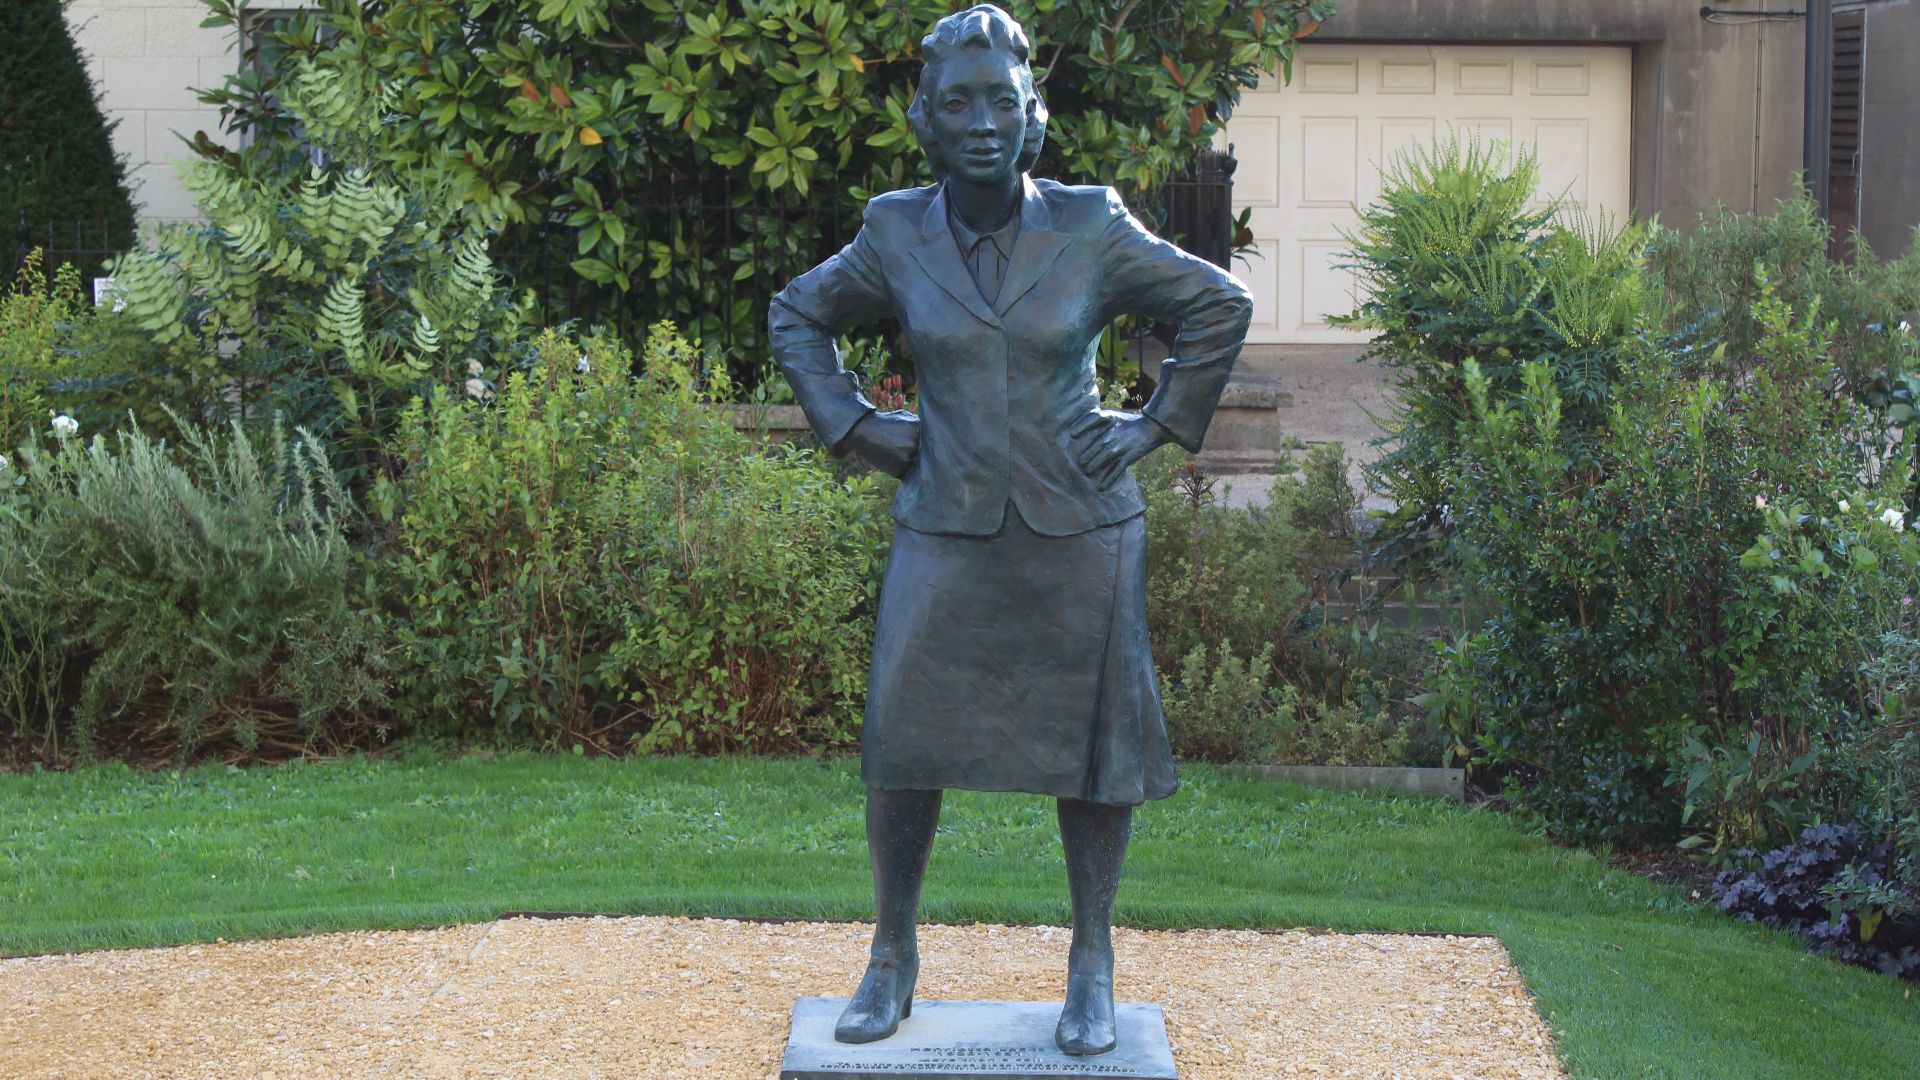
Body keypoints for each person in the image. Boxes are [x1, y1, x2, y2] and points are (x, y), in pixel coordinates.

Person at [767, 3, 1252, 1058]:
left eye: (1002, 99)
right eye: (958, 104)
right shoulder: (895, 232)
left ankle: (1092, 960)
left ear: (1033, 115)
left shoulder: (1089, 224)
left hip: (1081, 526)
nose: (981, 121)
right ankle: (890, 954)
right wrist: (853, 427)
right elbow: (797, 313)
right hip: (943, 522)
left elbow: (1218, 304)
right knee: (901, 739)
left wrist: (1160, 424)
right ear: (925, 123)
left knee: (1093, 757)